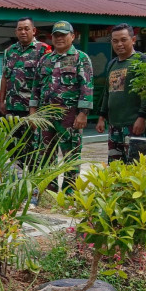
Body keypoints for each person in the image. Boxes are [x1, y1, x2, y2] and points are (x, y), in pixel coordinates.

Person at [29, 20, 93, 191]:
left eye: (63, 35)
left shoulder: (81, 58)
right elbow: (36, 87)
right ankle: (48, 189)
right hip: (45, 116)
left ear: (72, 36)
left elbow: (86, 86)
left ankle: (69, 192)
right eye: (56, 35)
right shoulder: (45, 59)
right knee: (45, 153)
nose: (59, 38)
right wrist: (33, 112)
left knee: (70, 154)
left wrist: (83, 113)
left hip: (69, 116)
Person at [95, 24, 146, 163]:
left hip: (133, 124)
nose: (119, 44)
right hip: (114, 125)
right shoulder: (112, 64)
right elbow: (107, 93)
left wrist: (142, 117)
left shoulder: (142, 61)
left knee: (135, 165)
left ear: (133, 39)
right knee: (115, 167)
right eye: (115, 41)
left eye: (123, 40)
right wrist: (102, 117)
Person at [0, 17, 51, 163]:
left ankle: (33, 181)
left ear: (34, 31)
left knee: (34, 148)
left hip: (33, 109)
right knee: (13, 148)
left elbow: (46, 80)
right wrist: (2, 101)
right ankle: (18, 180)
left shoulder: (43, 50)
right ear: (16, 32)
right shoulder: (9, 51)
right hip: (12, 108)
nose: (23, 32)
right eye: (20, 29)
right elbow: (5, 77)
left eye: (26, 29)